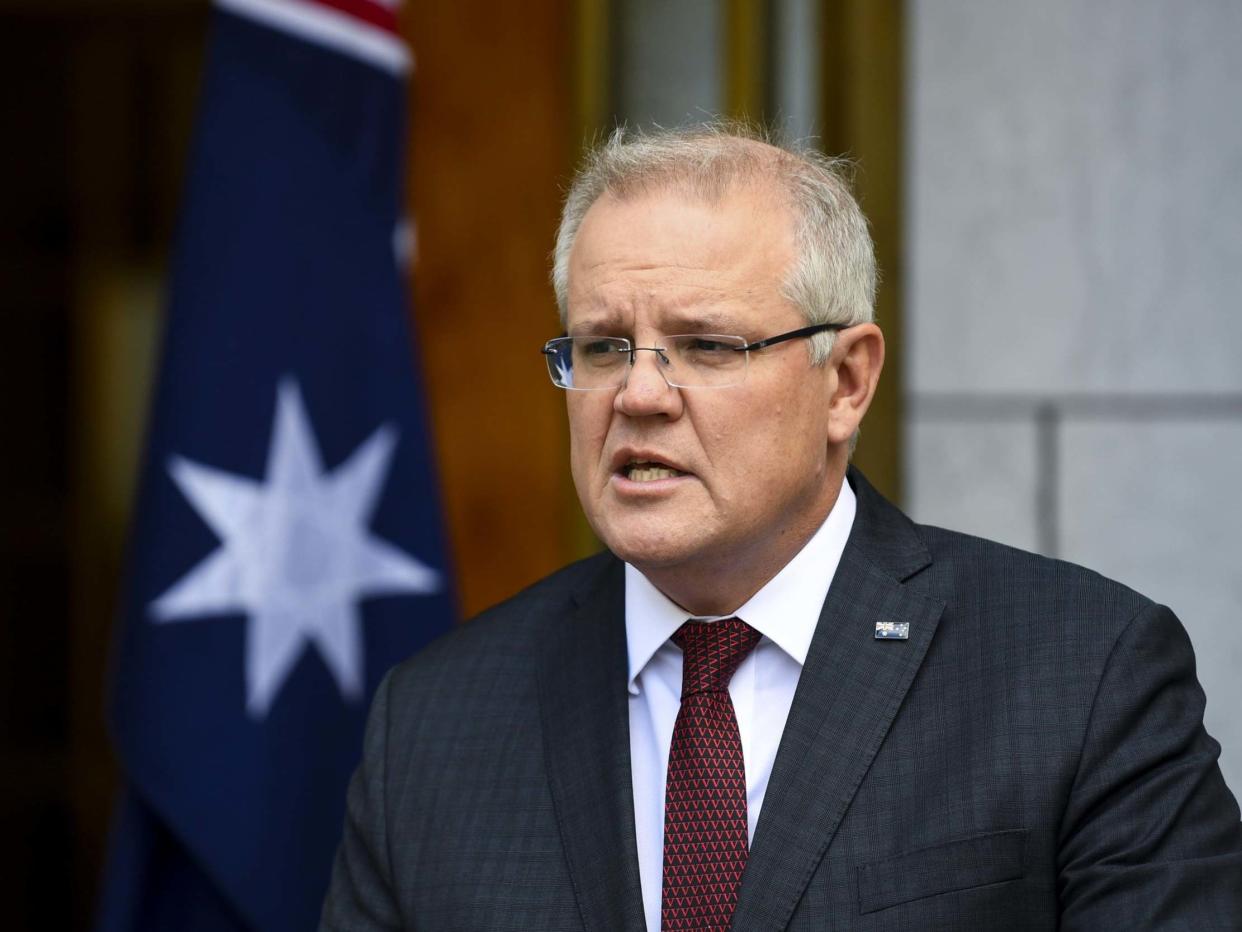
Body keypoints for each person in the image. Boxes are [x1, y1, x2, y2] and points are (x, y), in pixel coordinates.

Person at [320, 125, 1242, 930]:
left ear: (845, 381)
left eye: (708, 346)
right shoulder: (435, 724)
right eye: (603, 346)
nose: (639, 395)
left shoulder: (1080, 674)